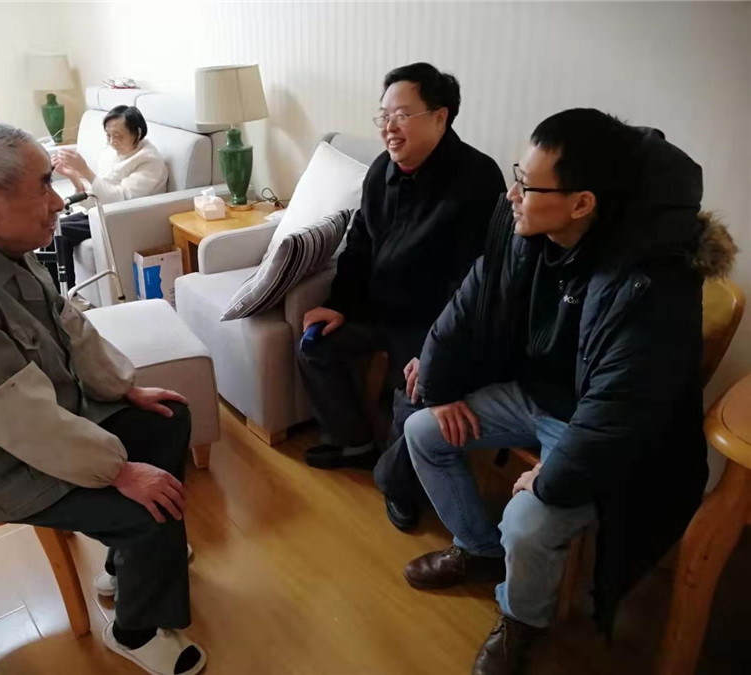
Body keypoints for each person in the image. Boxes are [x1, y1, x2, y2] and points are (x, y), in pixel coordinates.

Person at [401, 109, 736, 675]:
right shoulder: (526, 229)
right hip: (532, 394)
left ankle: (521, 620)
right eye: (517, 175)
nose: (512, 194)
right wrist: (437, 385)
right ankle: (479, 550)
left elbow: (619, 412)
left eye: (528, 186)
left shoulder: (650, 284)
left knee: (528, 521)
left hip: (595, 428)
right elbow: (471, 301)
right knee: (422, 431)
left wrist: (550, 479)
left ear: (582, 203)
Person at [0, 123, 204, 675]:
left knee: (167, 417)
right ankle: (133, 631)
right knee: (147, 509)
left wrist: (123, 387)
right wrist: (121, 471)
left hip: (52, 420)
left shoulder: (0, 244)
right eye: (43, 186)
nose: (58, 202)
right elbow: (19, 418)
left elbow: (68, 324)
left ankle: (127, 562)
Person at [298, 63, 505, 518]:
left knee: (417, 394)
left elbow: (475, 283)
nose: (389, 128)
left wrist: (437, 350)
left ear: (440, 117)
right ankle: (355, 443)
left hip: (433, 324)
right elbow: (359, 244)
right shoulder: (382, 170)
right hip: (378, 309)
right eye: (384, 115)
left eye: (402, 115)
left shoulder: (477, 179)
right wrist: (339, 305)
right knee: (314, 345)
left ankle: (398, 482)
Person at [51, 104, 168, 287]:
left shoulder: (149, 161)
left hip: (125, 218)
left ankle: (62, 295)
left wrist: (85, 170)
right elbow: (99, 192)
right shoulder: (113, 153)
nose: (113, 141)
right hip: (102, 212)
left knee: (60, 232)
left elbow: (120, 199)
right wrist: (74, 177)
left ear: (137, 133)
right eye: (108, 135)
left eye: (118, 136)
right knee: (53, 226)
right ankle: (56, 291)